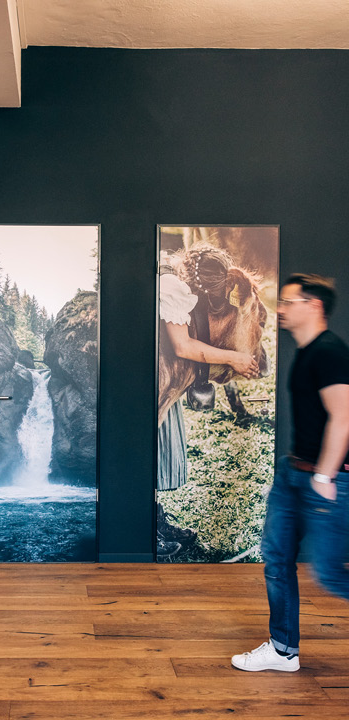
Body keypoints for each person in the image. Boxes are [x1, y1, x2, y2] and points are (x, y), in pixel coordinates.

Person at [231, 273, 349, 672]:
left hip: (324, 478)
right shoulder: (308, 351)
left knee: (330, 573)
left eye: (288, 302)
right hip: (293, 473)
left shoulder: (330, 351)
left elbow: (343, 418)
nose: (280, 309)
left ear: (312, 305)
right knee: (277, 557)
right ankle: (283, 650)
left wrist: (325, 477)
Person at [157, 246, 260, 557]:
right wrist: (235, 358)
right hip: (154, 377)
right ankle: (140, 527)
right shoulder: (171, 287)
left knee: (158, 451)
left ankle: (154, 519)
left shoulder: (183, 291)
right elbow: (182, 345)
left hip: (168, 383)